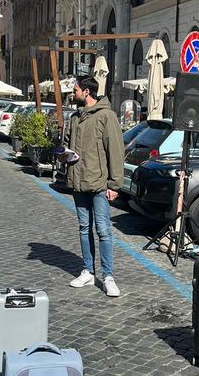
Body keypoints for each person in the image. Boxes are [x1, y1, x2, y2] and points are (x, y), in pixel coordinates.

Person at [65, 77, 125, 297]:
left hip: (99, 183)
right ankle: (88, 271)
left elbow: (116, 151)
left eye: (76, 90)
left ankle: (108, 276)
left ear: (87, 92)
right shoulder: (74, 117)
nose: (73, 94)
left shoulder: (106, 116)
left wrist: (114, 184)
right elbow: (69, 145)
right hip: (78, 182)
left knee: (103, 230)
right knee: (83, 228)